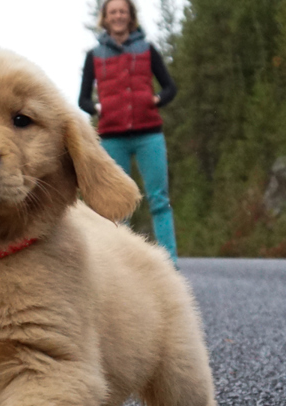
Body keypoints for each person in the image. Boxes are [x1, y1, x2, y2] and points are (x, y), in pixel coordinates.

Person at [79, 0, 179, 265]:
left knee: (159, 200)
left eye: (122, 11)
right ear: (105, 18)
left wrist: (154, 100)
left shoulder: (147, 49)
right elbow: (83, 100)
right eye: (113, 12)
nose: (118, 16)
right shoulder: (94, 55)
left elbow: (169, 87)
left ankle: (171, 265)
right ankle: (119, 267)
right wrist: (98, 107)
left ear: (130, 16)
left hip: (149, 135)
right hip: (112, 137)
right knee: (116, 203)